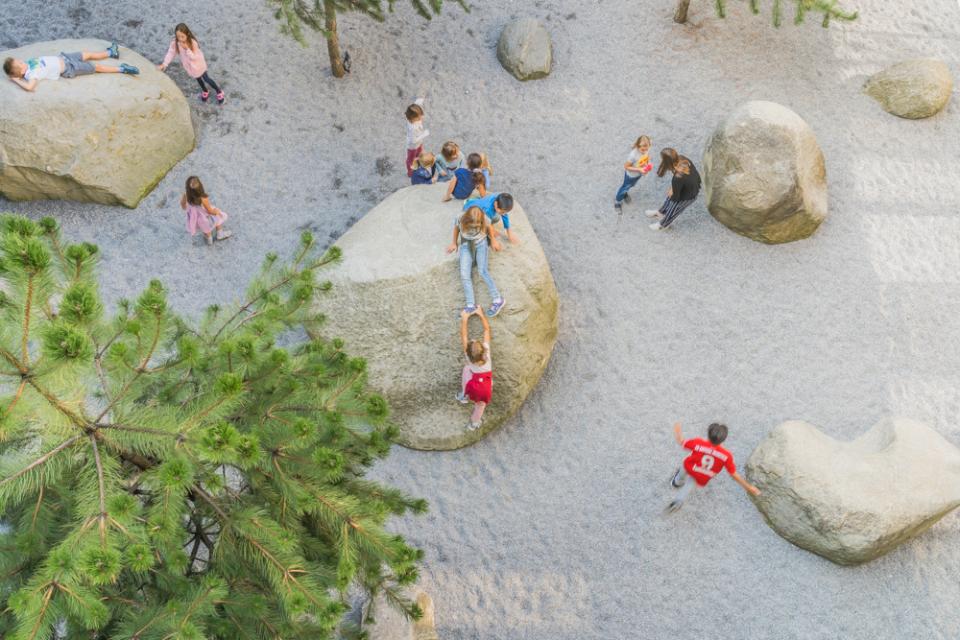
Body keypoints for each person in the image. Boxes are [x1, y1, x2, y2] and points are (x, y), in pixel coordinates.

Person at [668, 422, 761, 512]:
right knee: (690, 484)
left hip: (691, 466)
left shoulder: (698, 443)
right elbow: (733, 474)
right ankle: (679, 501)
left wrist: (677, 431)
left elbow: (682, 442)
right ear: (723, 440)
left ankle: (676, 482)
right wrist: (748, 487)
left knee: (684, 468)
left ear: (708, 435)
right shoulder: (726, 456)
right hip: (704, 474)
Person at [446, 206, 505, 318]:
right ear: (467, 219)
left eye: (478, 224)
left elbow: (489, 228)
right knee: (464, 274)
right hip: (466, 244)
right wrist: (454, 243)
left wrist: (493, 241)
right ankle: (470, 305)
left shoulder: (484, 218)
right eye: (473, 224)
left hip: (481, 244)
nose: (476, 226)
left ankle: (498, 299)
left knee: (482, 271)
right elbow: (456, 229)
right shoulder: (460, 218)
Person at [4, 42, 138, 91]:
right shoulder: (31, 75)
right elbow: (29, 87)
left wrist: (15, 70)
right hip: (70, 68)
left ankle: (110, 52)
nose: (22, 60)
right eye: (20, 63)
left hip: (65, 57)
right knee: (96, 67)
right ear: (21, 71)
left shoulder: (27, 65)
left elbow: (17, 67)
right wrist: (16, 80)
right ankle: (122, 69)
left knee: (87, 54)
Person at [158, 23, 225, 105]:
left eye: (182, 36)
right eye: (178, 36)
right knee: (198, 79)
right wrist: (165, 64)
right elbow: (171, 53)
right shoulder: (175, 43)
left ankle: (219, 91)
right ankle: (205, 90)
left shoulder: (192, 43)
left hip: (199, 64)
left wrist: (187, 49)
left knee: (206, 78)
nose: (180, 39)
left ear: (187, 34)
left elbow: (194, 57)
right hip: (190, 67)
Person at [646, 149, 701, 231]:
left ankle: (664, 224)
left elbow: (675, 197)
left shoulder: (678, 177)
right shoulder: (682, 158)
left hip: (689, 195)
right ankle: (661, 212)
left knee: (674, 207)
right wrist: (673, 188)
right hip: (691, 186)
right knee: (670, 198)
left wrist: (672, 192)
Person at [457, 307, 493, 431]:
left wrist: (464, 319)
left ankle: (463, 395)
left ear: (468, 352)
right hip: (485, 388)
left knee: (467, 369)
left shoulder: (468, 357)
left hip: (473, 384)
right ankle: (474, 423)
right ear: (483, 349)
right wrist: (481, 314)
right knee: (480, 406)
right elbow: (487, 330)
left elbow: (464, 335)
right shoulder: (486, 353)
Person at [181, 176, 233, 245]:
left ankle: (209, 239)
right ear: (200, 186)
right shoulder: (203, 198)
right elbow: (210, 211)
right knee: (218, 217)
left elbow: (183, 205)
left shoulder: (186, 195)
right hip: (205, 216)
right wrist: (216, 211)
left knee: (204, 227)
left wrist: (190, 210)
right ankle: (220, 234)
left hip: (196, 218)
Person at [614, 135, 654, 211]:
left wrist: (648, 164)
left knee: (630, 185)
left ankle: (624, 193)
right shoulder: (633, 155)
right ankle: (618, 201)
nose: (645, 151)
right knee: (625, 187)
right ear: (638, 146)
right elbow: (626, 166)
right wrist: (639, 169)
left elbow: (647, 157)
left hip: (638, 174)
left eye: (647, 149)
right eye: (642, 150)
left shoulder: (646, 149)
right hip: (631, 175)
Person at [405, 98, 429, 177]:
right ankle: (411, 172)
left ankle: (419, 165)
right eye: (419, 117)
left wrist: (419, 102)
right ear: (413, 118)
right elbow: (413, 140)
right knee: (411, 160)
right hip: (412, 146)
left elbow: (416, 107)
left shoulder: (412, 118)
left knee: (419, 154)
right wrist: (424, 134)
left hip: (419, 143)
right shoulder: (412, 128)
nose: (421, 117)